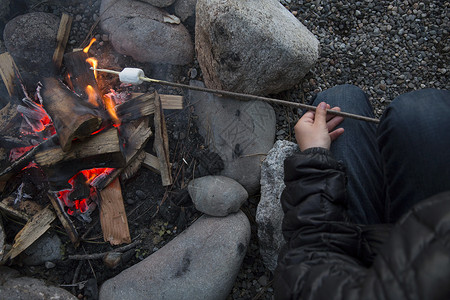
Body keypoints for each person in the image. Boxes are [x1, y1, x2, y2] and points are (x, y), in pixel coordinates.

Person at [274, 85, 450, 299]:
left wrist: (314, 158)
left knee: (341, 99)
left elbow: (305, 274)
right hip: (420, 235)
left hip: (360, 260)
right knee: (424, 112)